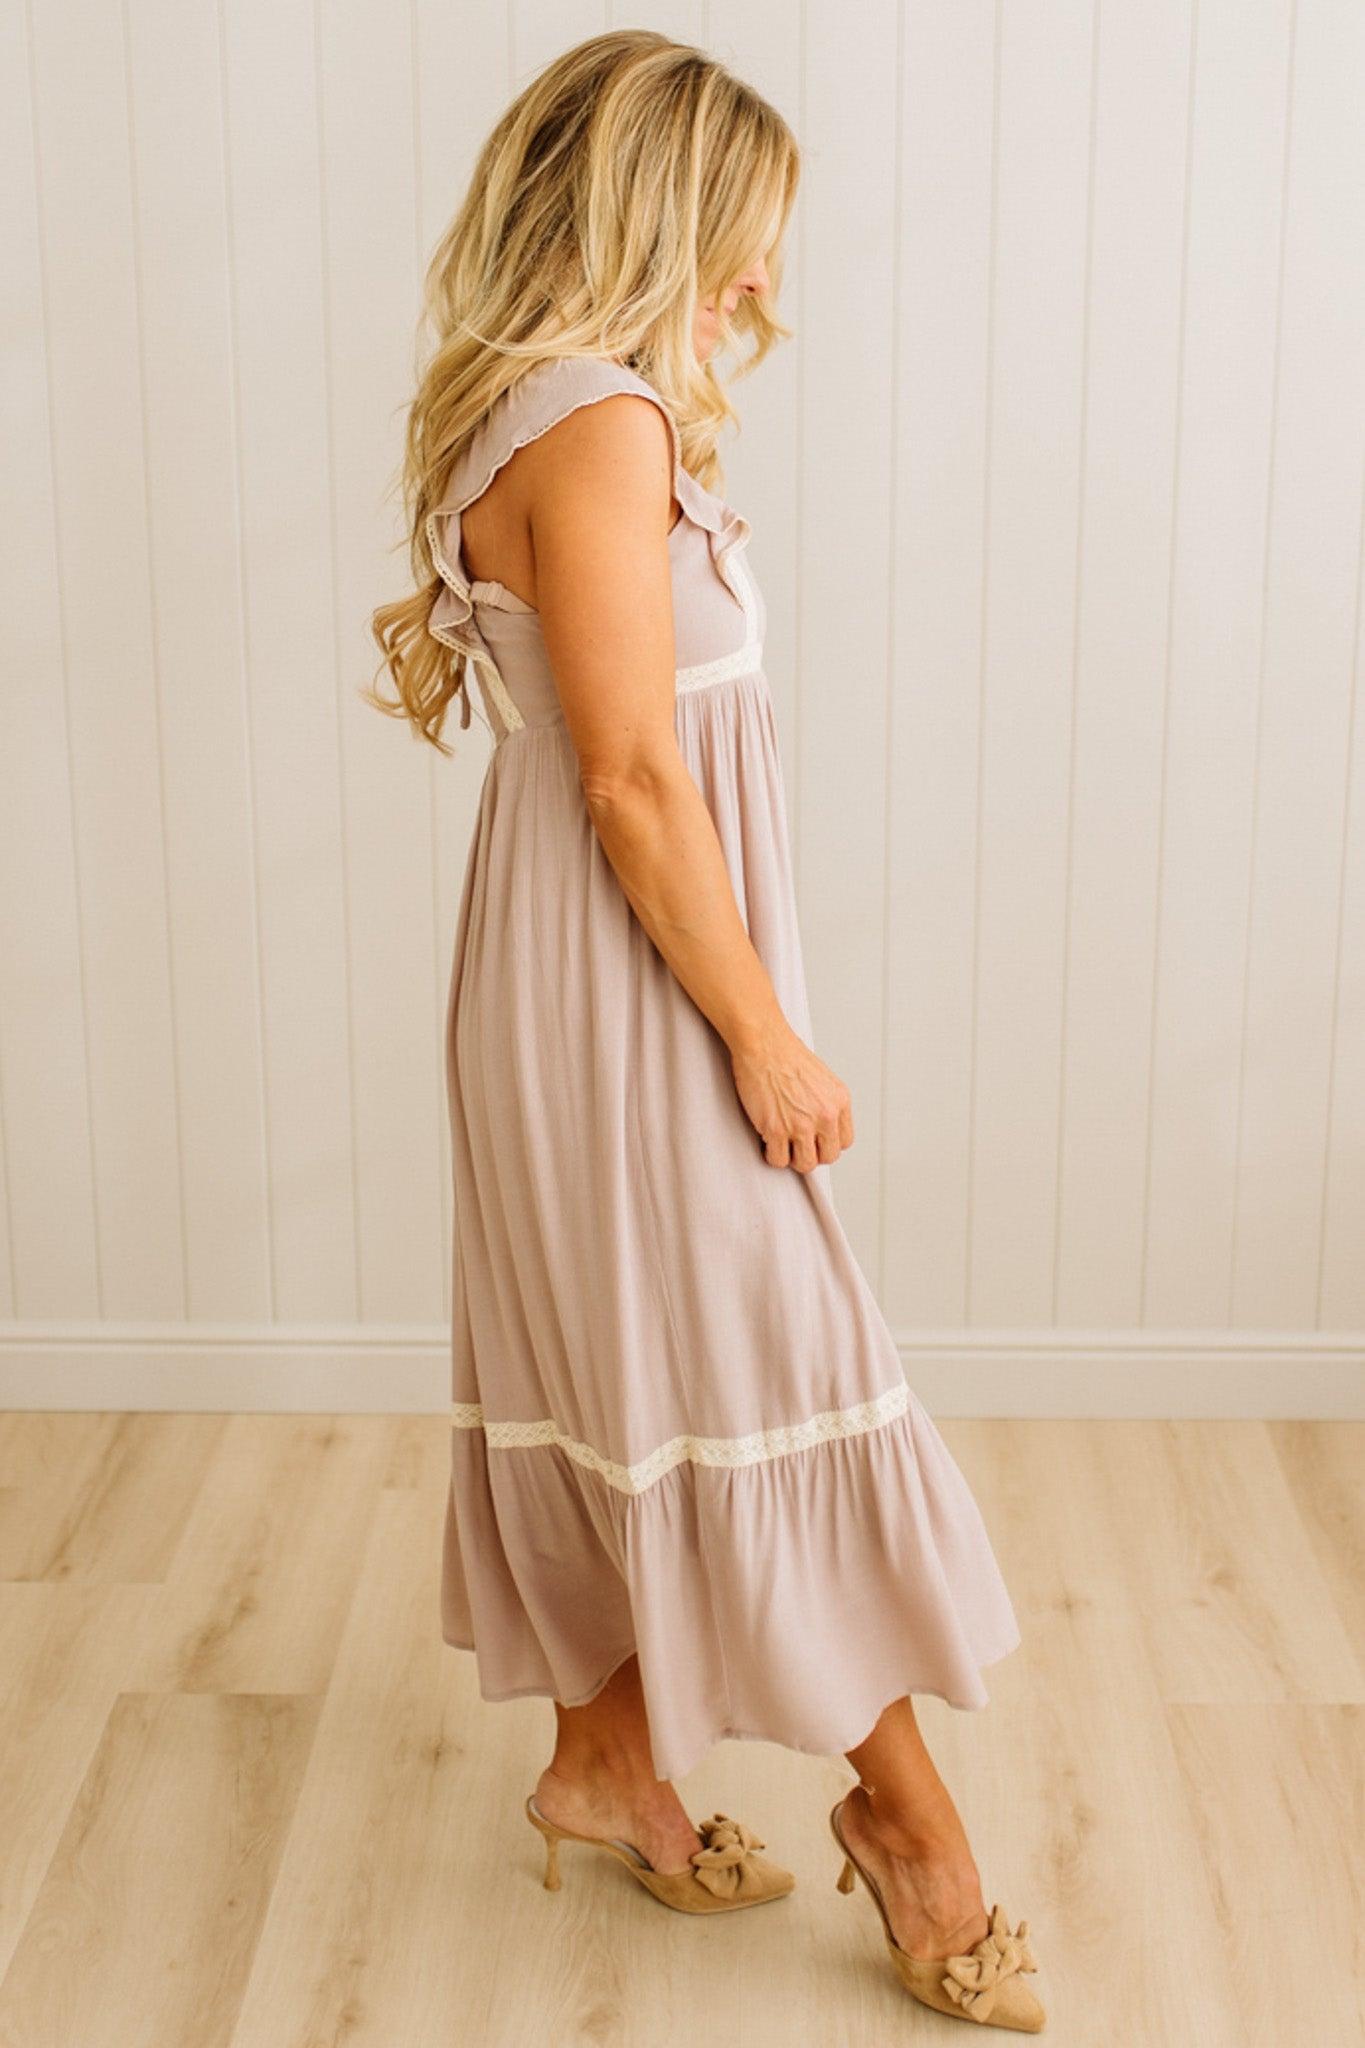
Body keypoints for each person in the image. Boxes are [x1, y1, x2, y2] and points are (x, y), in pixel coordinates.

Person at [368, 28, 1044, 2033]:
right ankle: (910, 1832)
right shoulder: (592, 420)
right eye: (745, 234)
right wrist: (761, 1033)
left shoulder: (532, 405)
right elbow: (634, 780)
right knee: (760, 1369)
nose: (761, 280)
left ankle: (605, 1763)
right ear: (654, 215)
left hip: (572, 974)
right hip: (633, 987)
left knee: (625, 1364)